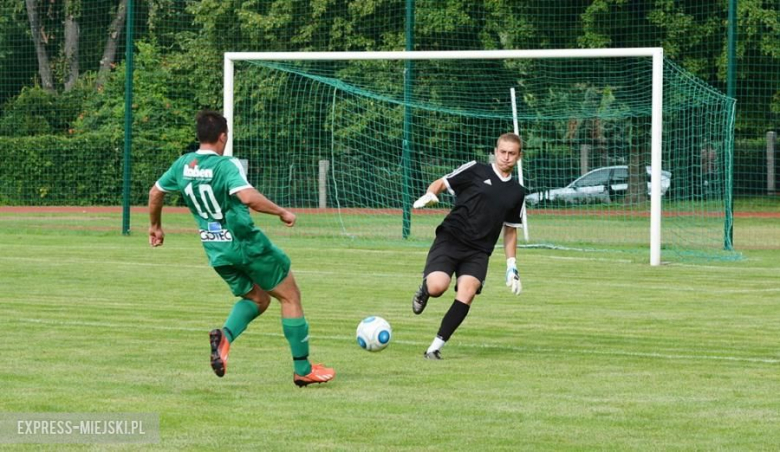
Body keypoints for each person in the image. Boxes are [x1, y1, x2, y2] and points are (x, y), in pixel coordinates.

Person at [148, 110, 335, 387]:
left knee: (259, 299)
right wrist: (282, 212)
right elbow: (248, 197)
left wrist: (156, 226)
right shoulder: (226, 165)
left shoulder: (183, 165)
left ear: (199, 136)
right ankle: (303, 369)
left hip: (216, 250)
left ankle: (224, 338)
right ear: (223, 136)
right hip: (246, 244)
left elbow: (155, 193)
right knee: (290, 296)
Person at [411, 132, 526, 359]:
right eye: (502, 152)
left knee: (468, 292)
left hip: (479, 251)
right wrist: (430, 194)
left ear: (519, 157)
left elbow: (510, 229)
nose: (506, 157)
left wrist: (511, 266)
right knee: (437, 287)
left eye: (511, 154)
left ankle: (434, 348)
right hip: (451, 239)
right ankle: (424, 290)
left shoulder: (517, 192)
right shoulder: (476, 170)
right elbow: (442, 183)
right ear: (495, 152)